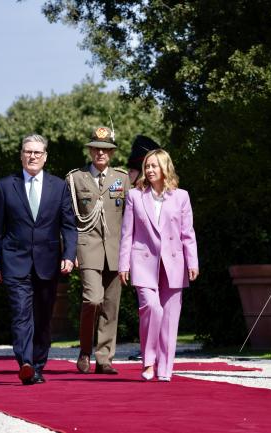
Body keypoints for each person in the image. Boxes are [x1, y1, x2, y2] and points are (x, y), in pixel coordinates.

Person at [0, 134, 77, 385]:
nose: (33, 156)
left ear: (45, 156)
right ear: (21, 155)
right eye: (28, 152)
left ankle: (38, 364)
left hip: (48, 263)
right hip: (15, 262)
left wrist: (69, 255)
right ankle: (25, 362)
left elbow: (69, 226)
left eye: (38, 152)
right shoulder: (5, 186)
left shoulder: (59, 187)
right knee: (20, 313)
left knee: (43, 317)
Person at [119, 148, 199, 382]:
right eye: (147, 166)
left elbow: (188, 233)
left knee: (170, 317)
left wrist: (192, 260)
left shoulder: (181, 196)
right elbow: (127, 233)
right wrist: (124, 264)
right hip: (143, 261)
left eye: (154, 165)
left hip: (174, 261)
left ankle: (165, 369)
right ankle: (148, 360)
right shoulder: (135, 196)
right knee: (152, 308)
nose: (150, 170)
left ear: (165, 168)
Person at [66, 126, 131, 374]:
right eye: (97, 149)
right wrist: (69, 251)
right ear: (91, 150)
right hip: (87, 248)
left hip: (115, 250)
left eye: (106, 150)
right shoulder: (75, 178)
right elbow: (68, 218)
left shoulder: (122, 178)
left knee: (111, 306)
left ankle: (104, 358)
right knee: (93, 299)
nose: (101, 153)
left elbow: (129, 218)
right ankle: (84, 350)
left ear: (111, 153)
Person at [125, 134, 160, 362]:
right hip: (141, 256)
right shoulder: (133, 195)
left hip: (159, 256)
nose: (129, 176)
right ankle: (149, 347)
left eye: (133, 171)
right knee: (148, 306)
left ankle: (157, 348)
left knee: (156, 307)